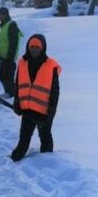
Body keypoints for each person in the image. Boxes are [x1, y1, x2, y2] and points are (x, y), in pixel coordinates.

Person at [10, 34, 61, 162]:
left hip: (43, 112)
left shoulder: (50, 65)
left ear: (42, 48)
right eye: (31, 46)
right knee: (23, 140)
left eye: (37, 47)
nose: (34, 49)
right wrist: (17, 103)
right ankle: (14, 160)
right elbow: (17, 85)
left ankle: (49, 164)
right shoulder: (22, 63)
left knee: (45, 139)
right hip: (27, 110)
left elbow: (55, 91)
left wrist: (51, 112)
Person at [0, 6, 22, 97]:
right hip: (3, 58)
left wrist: (10, 56)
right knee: (3, 78)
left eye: (0, 15)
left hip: (8, 59)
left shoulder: (11, 25)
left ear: (5, 15)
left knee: (8, 79)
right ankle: (9, 94)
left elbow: (13, 42)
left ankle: (12, 96)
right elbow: (4, 43)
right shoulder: (4, 26)